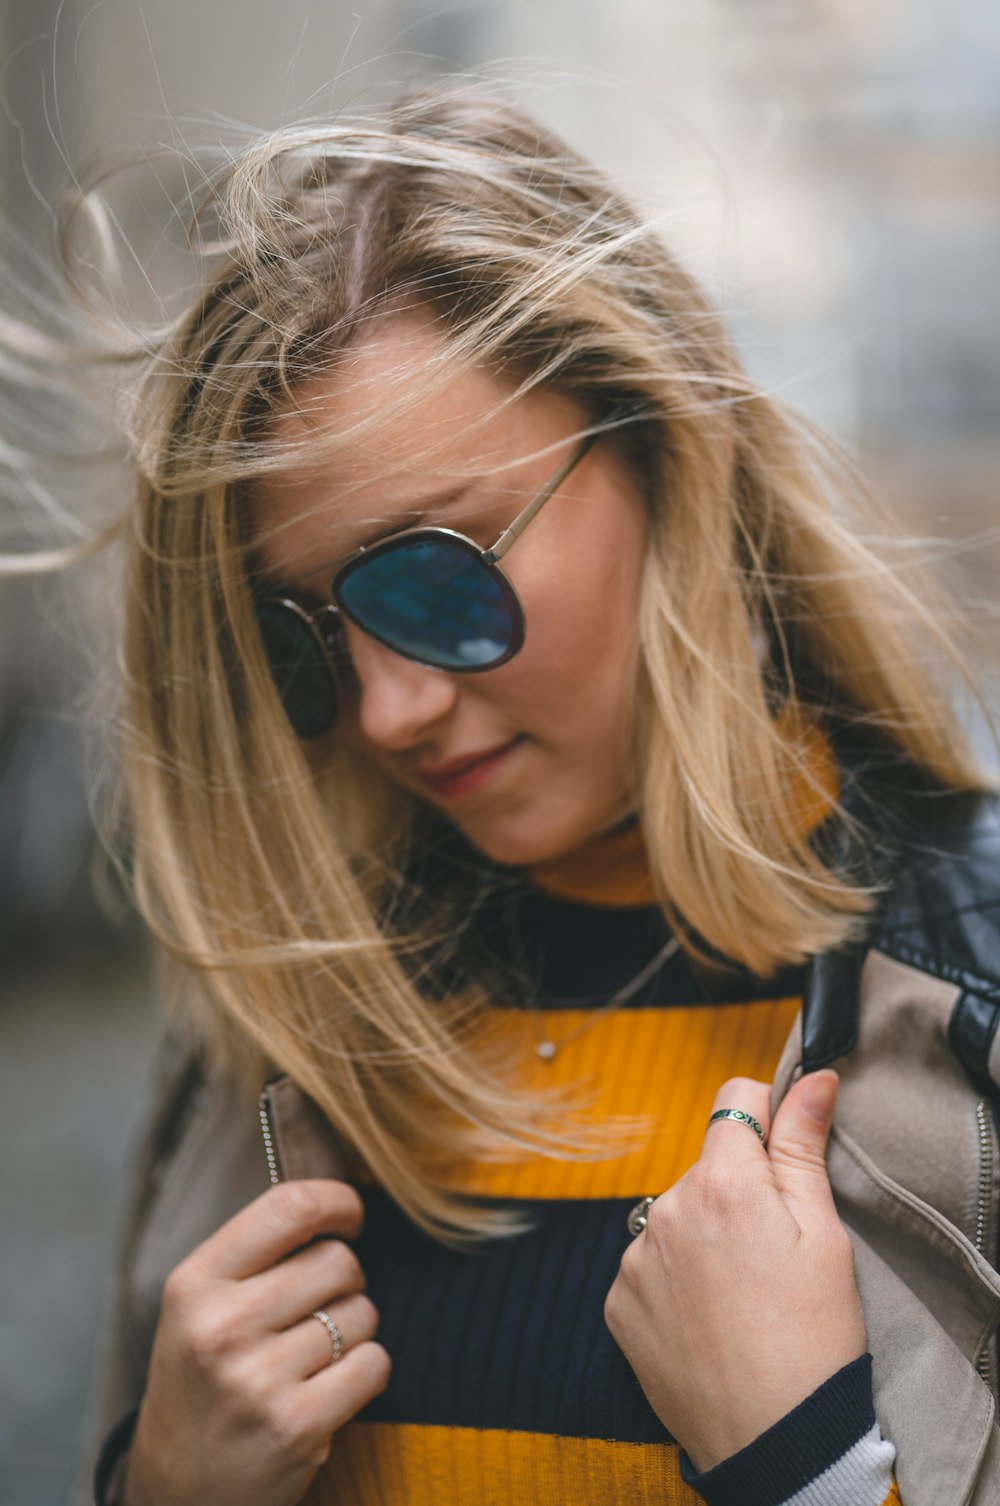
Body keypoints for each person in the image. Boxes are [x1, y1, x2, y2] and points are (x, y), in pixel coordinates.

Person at [43, 82, 1000, 1506]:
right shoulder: (276, 1022)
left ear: (673, 451)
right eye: (303, 633)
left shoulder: (968, 991)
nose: (388, 707)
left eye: (436, 574)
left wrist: (808, 1468)